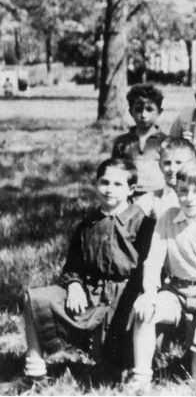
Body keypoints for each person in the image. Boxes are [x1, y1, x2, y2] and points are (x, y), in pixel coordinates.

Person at [22, 158, 153, 384]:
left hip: (126, 298)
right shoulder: (88, 222)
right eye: (104, 182)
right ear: (96, 184)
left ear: (131, 189)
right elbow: (74, 264)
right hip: (91, 295)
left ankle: (135, 372)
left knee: (114, 367)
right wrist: (73, 285)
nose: (109, 189)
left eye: (118, 185)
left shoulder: (143, 224)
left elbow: (148, 269)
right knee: (33, 298)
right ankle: (35, 372)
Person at [129, 158, 196, 387]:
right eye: (184, 191)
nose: (190, 198)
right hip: (175, 292)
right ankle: (141, 379)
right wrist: (149, 292)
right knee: (144, 310)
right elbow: (153, 261)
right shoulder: (168, 218)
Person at [111, 84, 167, 195]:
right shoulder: (122, 142)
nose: (143, 115)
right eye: (138, 110)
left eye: (149, 109)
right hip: (129, 194)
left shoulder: (165, 141)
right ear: (131, 112)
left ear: (159, 112)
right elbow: (115, 170)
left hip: (157, 194)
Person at [133, 137, 195, 219]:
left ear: (192, 164)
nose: (172, 168)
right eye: (167, 163)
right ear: (160, 165)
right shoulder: (150, 201)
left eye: (178, 162)